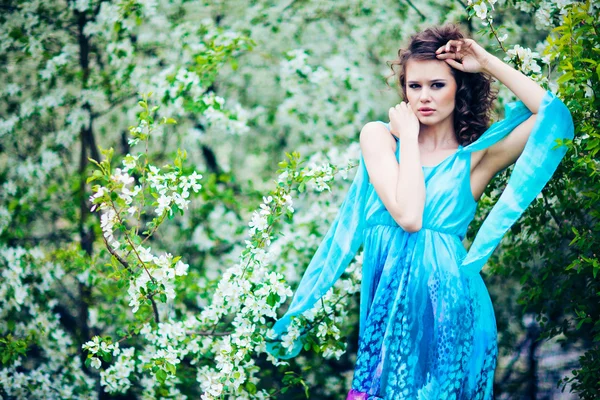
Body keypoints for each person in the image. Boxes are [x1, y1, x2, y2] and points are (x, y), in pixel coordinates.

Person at [267, 24, 574, 399]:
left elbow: (554, 116)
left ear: (459, 87)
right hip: (389, 313)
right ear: (404, 91)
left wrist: (488, 62)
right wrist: (409, 138)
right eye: (415, 86)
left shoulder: (475, 159)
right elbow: (409, 215)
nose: (424, 97)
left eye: (437, 85)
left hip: (450, 312)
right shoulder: (380, 138)